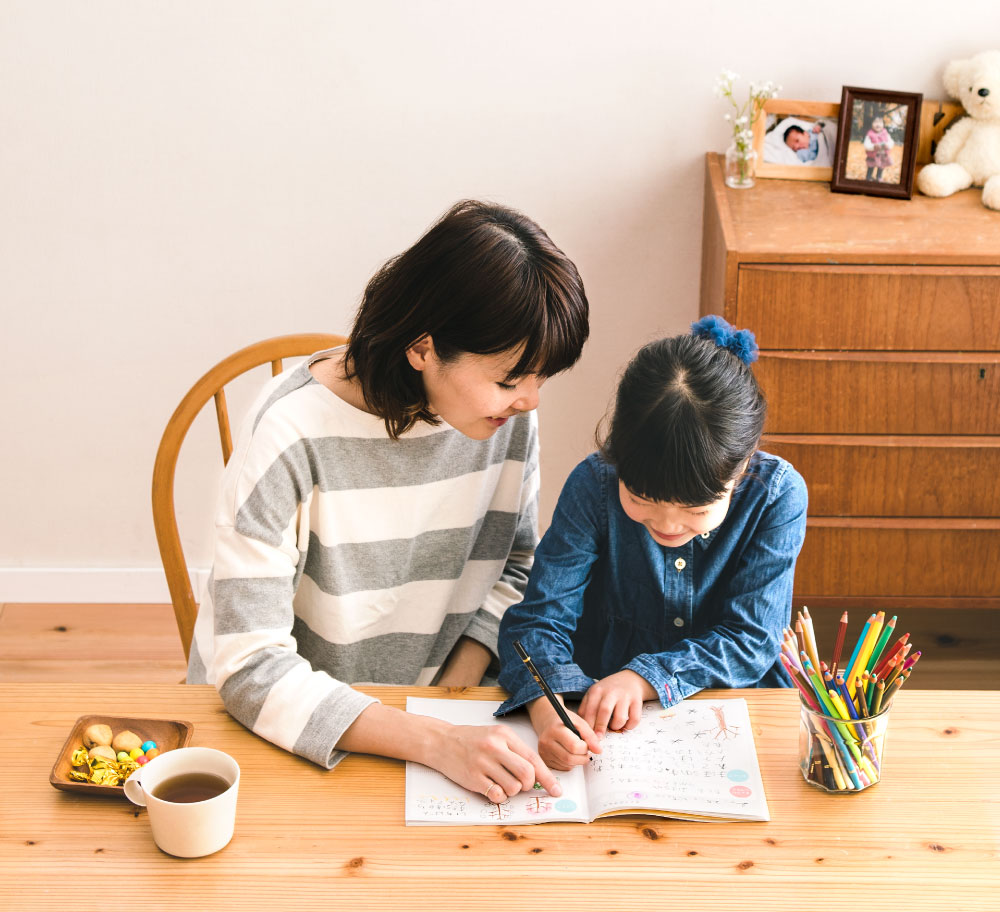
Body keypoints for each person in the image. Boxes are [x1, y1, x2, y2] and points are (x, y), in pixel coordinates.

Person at [187, 199, 589, 804]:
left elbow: (515, 566)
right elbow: (249, 667)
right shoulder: (289, 433)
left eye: (541, 379)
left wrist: (452, 698)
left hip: (437, 719)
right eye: (510, 379)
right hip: (299, 728)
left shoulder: (507, 418)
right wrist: (433, 739)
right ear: (423, 349)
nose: (530, 400)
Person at [495, 315, 807, 770]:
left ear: (741, 469)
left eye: (697, 511)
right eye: (641, 498)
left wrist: (644, 677)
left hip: (737, 717)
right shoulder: (594, 483)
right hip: (602, 723)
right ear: (615, 453)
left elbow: (751, 640)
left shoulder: (776, 495)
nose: (668, 525)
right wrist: (549, 710)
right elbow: (538, 622)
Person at [863, 115, 894, 180]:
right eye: (875, 122)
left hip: (883, 155)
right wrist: (873, 147)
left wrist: (888, 145)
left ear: (883, 124)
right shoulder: (870, 134)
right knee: (871, 166)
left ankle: (879, 177)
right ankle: (868, 177)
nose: (878, 124)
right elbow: (866, 145)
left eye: (880, 122)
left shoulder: (885, 133)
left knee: (881, 167)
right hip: (873, 155)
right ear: (871, 124)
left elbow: (891, 142)